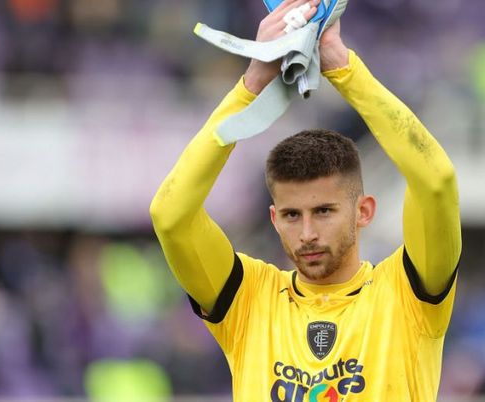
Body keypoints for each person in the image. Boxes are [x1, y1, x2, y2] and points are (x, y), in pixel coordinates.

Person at [149, 0, 461, 399]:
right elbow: (170, 215)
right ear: (275, 219)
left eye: (325, 211)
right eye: (293, 215)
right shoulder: (249, 300)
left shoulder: (406, 293)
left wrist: (344, 69)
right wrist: (251, 85)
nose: (307, 233)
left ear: (363, 211)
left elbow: (437, 181)